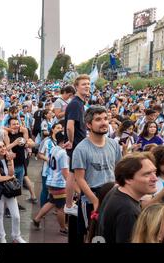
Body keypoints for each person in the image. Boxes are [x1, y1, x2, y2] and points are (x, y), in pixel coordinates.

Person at [72, 106, 122, 243]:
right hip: (90, 198)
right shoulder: (81, 149)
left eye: (106, 118)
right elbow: (79, 179)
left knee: (110, 233)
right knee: (92, 235)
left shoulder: (114, 145)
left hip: (112, 195)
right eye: (98, 119)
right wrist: (94, 200)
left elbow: (118, 171)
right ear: (88, 124)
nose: (104, 122)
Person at [98, 152, 158, 243]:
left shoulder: (116, 191)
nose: (155, 178)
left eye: (154, 172)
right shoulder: (127, 210)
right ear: (128, 179)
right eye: (147, 174)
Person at [64, 75, 90, 223]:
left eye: (88, 84)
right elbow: (69, 125)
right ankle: (68, 205)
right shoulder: (75, 103)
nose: (87, 86)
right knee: (73, 175)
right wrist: (72, 141)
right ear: (76, 87)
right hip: (77, 145)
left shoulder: (79, 103)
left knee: (74, 174)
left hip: (78, 144)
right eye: (83, 84)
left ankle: (70, 203)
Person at [33, 131, 70, 235]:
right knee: (60, 208)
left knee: (52, 202)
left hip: (51, 180)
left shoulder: (54, 149)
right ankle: (63, 228)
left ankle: (37, 219)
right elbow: (65, 172)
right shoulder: (63, 153)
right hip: (59, 183)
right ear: (64, 141)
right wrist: (72, 186)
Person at [0, 141, 27, 243]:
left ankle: (16, 236)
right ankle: (2, 237)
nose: (3, 149)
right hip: (0, 191)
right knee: (0, 214)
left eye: (3, 146)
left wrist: (10, 161)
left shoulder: (8, 157)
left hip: (10, 190)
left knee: (16, 216)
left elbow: (11, 173)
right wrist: (11, 177)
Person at [4, 117, 36, 205]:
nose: (16, 126)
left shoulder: (23, 132)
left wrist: (28, 144)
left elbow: (30, 144)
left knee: (18, 186)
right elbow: (5, 148)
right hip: (11, 165)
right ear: (9, 126)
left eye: (17, 124)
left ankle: (16, 204)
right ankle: (8, 208)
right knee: (9, 187)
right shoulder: (6, 134)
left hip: (21, 164)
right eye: (13, 124)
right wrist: (15, 143)